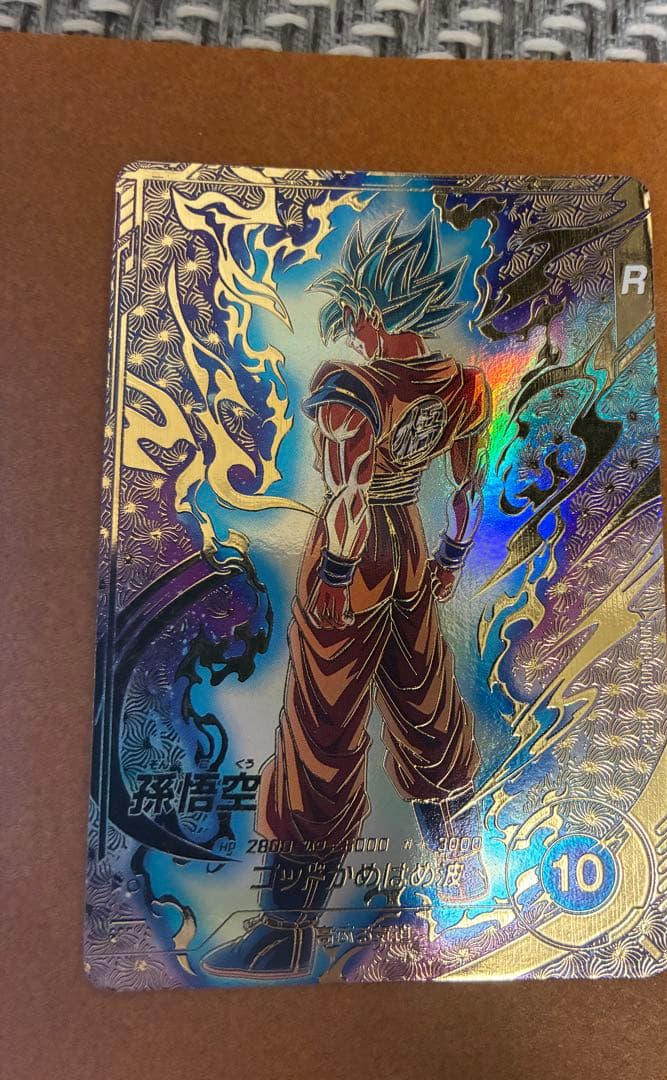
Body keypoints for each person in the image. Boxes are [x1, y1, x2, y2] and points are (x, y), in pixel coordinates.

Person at [203, 210, 491, 979]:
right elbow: (467, 488)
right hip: (412, 554)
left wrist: (334, 576)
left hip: (354, 555)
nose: (354, 328)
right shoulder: (461, 386)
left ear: (380, 309)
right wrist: (450, 559)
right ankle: (466, 873)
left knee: (320, 732)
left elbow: (352, 494)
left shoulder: (351, 386)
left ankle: (287, 931)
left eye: (359, 312)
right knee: (427, 706)